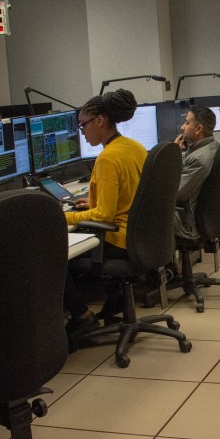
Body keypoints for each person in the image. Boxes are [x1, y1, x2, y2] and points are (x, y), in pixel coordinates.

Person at [63, 89, 147, 340]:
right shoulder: (134, 147)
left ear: (99, 120)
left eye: (83, 125)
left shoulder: (107, 158)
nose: (82, 131)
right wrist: (93, 202)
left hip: (120, 239)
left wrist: (62, 217)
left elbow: (103, 217)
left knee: (55, 257)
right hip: (141, 234)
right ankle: (115, 299)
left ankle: (81, 317)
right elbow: (131, 193)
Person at [173, 104, 219, 241]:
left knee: (138, 213)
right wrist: (179, 153)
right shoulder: (212, 146)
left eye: (187, 123)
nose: (182, 127)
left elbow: (175, 194)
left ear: (199, 129)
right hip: (200, 215)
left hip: (187, 222)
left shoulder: (199, 159)